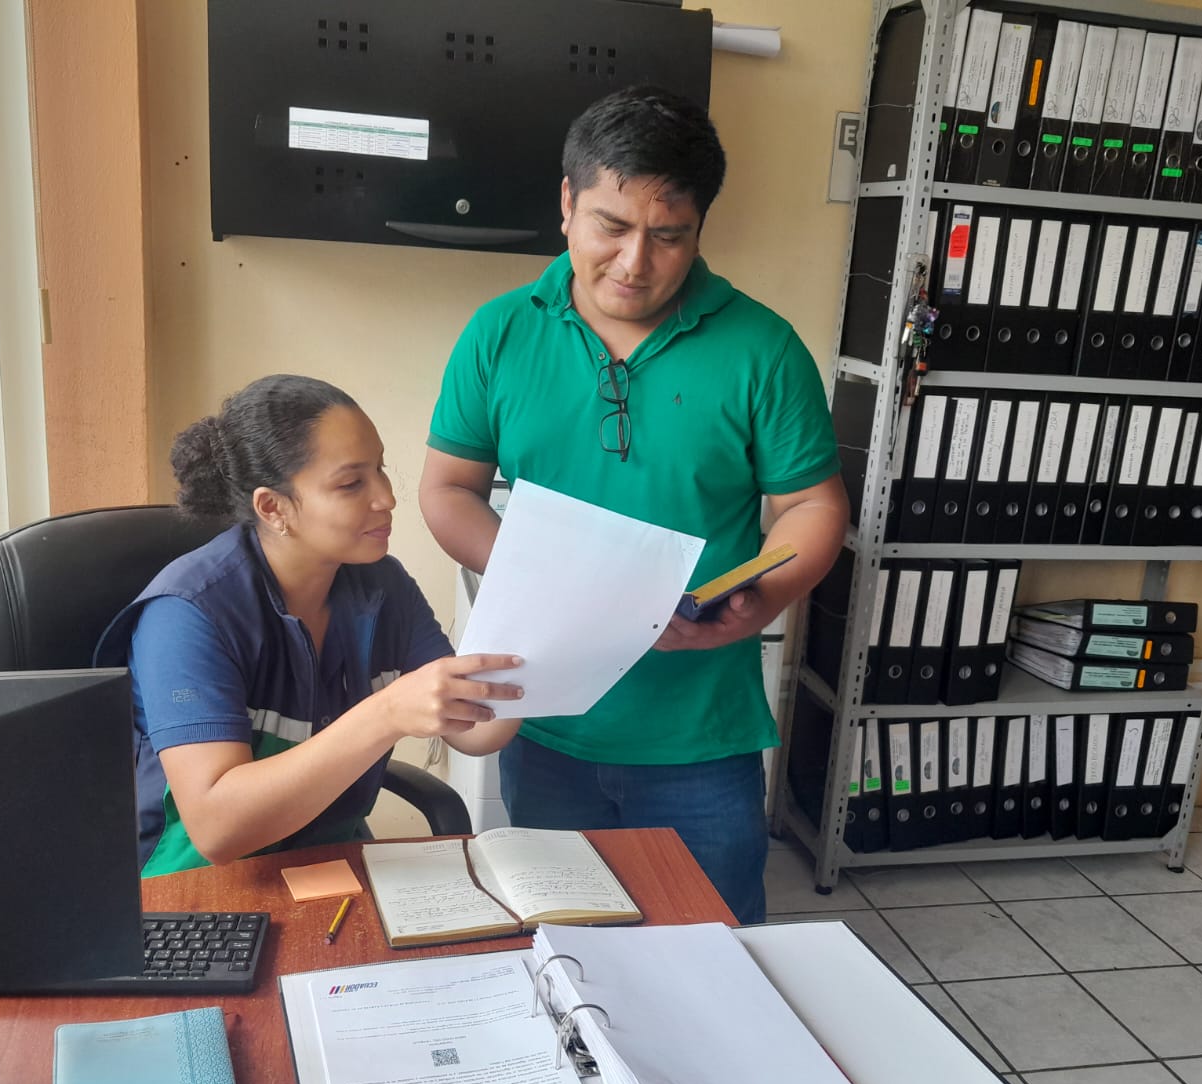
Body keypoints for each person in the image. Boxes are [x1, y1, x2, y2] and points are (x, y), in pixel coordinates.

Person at [419, 85, 849, 934]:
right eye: (610, 226)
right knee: (570, 953)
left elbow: (813, 505)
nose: (634, 262)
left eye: (669, 235)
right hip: (546, 723)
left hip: (701, 735)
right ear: (568, 203)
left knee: (715, 952)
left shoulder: (763, 348)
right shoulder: (500, 333)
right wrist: (544, 578)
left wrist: (758, 599)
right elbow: (447, 489)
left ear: (699, 230)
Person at [96, 374, 522, 877]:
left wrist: (533, 630)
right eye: (351, 484)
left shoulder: (383, 586)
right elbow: (216, 830)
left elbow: (478, 733)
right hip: (200, 886)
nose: (386, 498)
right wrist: (387, 713)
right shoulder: (187, 614)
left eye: (380, 469)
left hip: (328, 866)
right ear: (273, 508)